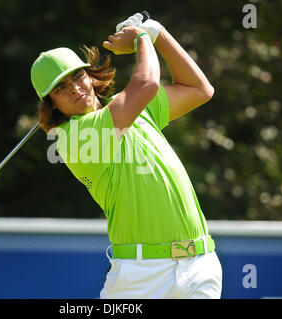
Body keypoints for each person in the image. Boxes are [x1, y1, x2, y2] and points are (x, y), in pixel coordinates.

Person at [30, 13, 222, 299]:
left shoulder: (130, 110)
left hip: (199, 264)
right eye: (61, 88)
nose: (76, 88)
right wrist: (142, 39)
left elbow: (199, 89)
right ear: (52, 104)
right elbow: (146, 85)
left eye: (78, 76)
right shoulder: (74, 137)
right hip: (140, 275)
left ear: (90, 76)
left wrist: (158, 33)